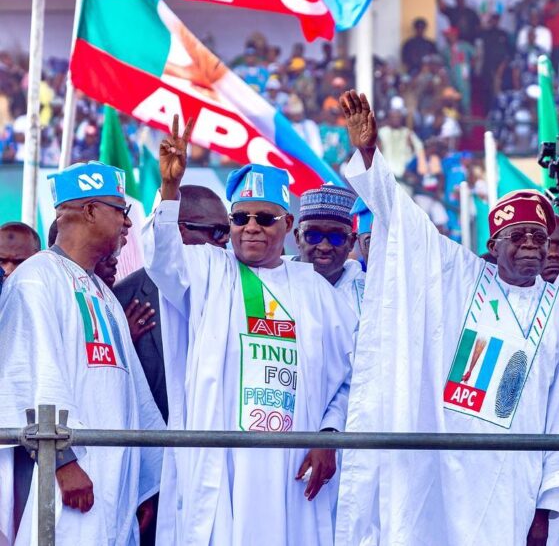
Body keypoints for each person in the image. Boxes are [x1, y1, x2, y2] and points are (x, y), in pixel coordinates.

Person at [336, 91, 559, 546]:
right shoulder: (459, 277)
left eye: (539, 236)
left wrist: (547, 509)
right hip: (442, 470)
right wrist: (368, 155)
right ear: (493, 246)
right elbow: (404, 221)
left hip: (518, 482)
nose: (531, 244)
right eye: (518, 236)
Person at [142, 117, 357, 546]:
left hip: (293, 464)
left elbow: (351, 378)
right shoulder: (208, 268)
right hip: (221, 461)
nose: (251, 227)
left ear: (287, 224)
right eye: (240, 218)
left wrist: (331, 437)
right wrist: (169, 190)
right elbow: (160, 258)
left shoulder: (318, 293)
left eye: (265, 217)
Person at [0, 162, 163, 546]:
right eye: (120, 211)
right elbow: (32, 374)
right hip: (69, 479)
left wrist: (147, 481)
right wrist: (63, 460)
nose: (127, 223)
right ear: (89, 211)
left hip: (115, 480)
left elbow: (135, 396)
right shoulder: (36, 278)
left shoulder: (104, 293)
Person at [113, 185, 230, 424]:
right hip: (146, 439)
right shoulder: (122, 298)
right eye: (218, 232)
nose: (225, 243)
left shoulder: (231, 291)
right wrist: (123, 344)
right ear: (177, 231)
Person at [294, 185, 364, 316]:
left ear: (351, 242)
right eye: (313, 236)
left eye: (336, 237)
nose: (324, 247)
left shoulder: (370, 293)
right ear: (298, 238)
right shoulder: (274, 281)